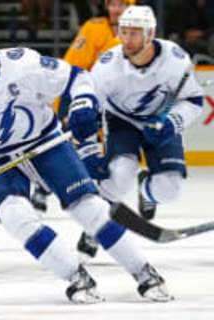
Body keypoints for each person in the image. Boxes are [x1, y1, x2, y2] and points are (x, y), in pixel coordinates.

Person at [0, 15, 173, 303]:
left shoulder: (22, 64)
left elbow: (77, 77)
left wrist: (84, 102)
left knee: (90, 208)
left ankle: (144, 272)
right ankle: (76, 276)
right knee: (15, 216)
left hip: (45, 142)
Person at [80, 6, 204, 255]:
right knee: (119, 175)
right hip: (121, 120)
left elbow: (194, 101)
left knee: (169, 190)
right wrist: (89, 148)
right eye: (123, 32)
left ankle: (146, 189)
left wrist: (172, 123)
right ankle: (95, 226)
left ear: (150, 34)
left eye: (134, 33)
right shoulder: (108, 66)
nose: (126, 39)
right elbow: (89, 108)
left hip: (161, 121)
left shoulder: (175, 60)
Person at [30, 0, 135, 260]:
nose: (116, 9)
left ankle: (93, 232)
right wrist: (68, 107)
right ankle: (43, 187)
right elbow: (72, 70)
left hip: (120, 116)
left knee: (114, 175)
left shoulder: (142, 35)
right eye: (112, 3)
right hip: (89, 109)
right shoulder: (94, 28)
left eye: (122, 4)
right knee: (79, 166)